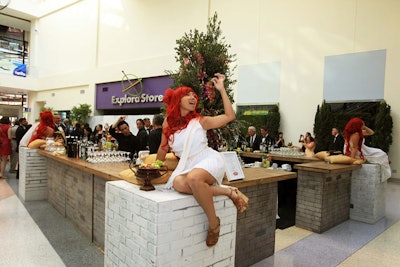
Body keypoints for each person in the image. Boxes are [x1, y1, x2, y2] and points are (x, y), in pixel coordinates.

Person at [156, 73, 249, 247]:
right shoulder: (168, 123)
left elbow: (230, 116)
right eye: (188, 94)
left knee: (193, 179)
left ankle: (214, 225)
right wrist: (153, 166)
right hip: (188, 165)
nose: (193, 97)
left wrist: (221, 89)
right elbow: (163, 148)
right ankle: (229, 192)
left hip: (208, 159)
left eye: (194, 96)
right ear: (178, 99)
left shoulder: (201, 121)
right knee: (178, 184)